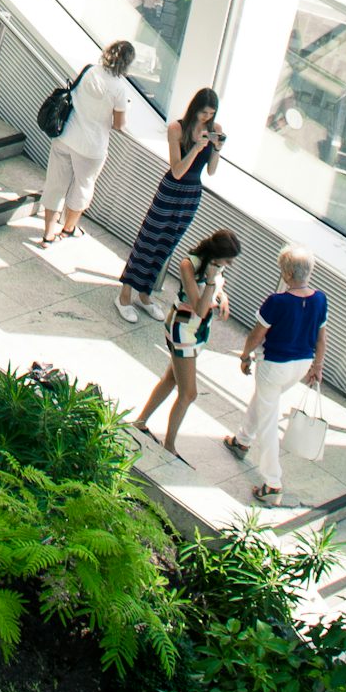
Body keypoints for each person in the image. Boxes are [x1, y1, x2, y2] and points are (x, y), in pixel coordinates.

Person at [226, 246, 329, 504]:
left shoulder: (276, 301)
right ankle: (241, 440)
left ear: (287, 273)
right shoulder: (320, 299)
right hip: (301, 364)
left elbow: (256, 335)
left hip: (274, 365)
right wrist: (317, 366)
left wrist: (245, 355)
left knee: (268, 419)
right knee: (265, 400)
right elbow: (321, 338)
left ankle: (272, 482)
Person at [116, 89, 223, 322]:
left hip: (192, 195)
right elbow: (177, 171)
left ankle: (144, 294)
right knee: (147, 241)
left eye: (211, 114)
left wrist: (216, 149)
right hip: (171, 190)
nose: (207, 117)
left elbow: (212, 171)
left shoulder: (215, 129)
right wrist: (196, 148)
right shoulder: (177, 128)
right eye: (204, 112)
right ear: (195, 108)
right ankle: (125, 294)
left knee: (166, 246)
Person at [133, 231, 239, 453]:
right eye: (227, 260)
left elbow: (217, 290)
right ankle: (169, 444)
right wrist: (210, 281)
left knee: (171, 378)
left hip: (198, 330)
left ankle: (141, 421)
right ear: (216, 254)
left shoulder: (216, 265)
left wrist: (222, 298)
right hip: (183, 329)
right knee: (189, 393)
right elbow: (200, 308)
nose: (228, 265)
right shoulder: (189, 265)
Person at [36, 39, 149, 248]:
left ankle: (48, 234)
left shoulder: (89, 71)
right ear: (127, 63)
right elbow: (119, 125)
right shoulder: (119, 89)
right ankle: (68, 229)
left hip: (66, 136)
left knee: (55, 184)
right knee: (83, 187)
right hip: (91, 148)